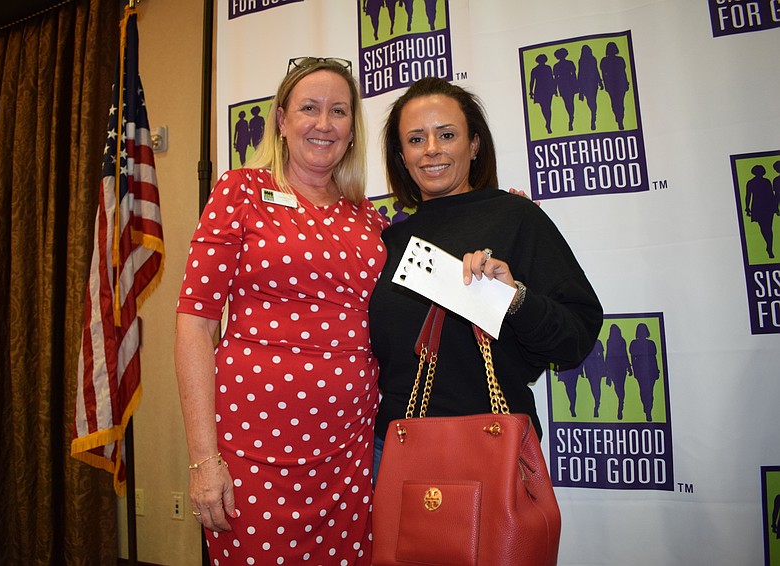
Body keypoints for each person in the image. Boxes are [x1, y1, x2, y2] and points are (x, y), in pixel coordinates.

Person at [174, 56, 387, 565]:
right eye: (309, 108)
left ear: (352, 130)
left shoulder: (370, 218)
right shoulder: (240, 191)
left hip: (349, 452)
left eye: (339, 111)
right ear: (282, 120)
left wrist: (496, 219)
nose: (323, 123)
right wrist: (204, 460)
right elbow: (196, 324)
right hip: (252, 449)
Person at [369, 77, 603, 475]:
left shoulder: (516, 218)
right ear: (401, 155)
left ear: (474, 145)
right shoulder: (387, 241)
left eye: (446, 134)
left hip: (489, 448)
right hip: (394, 451)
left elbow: (574, 340)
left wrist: (517, 299)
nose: (431, 150)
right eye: (415, 139)